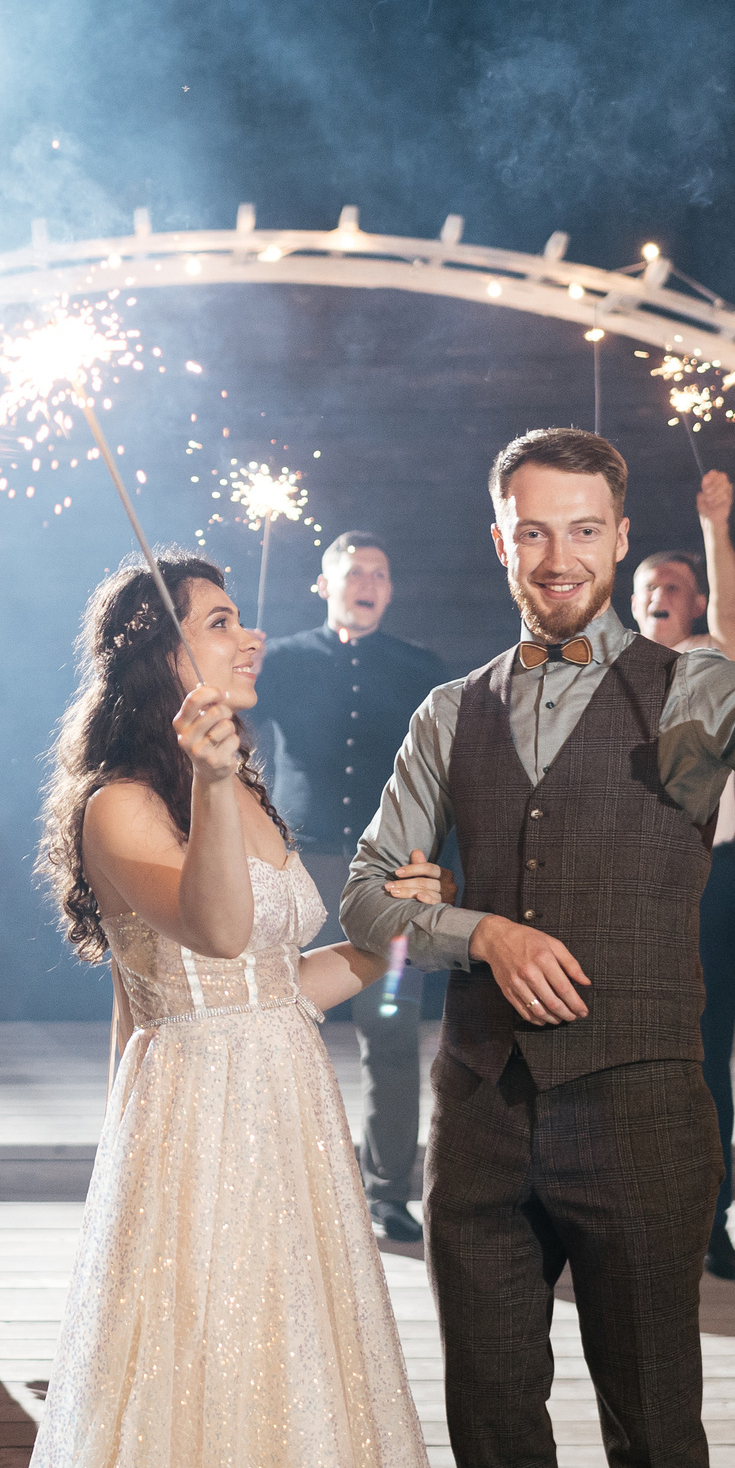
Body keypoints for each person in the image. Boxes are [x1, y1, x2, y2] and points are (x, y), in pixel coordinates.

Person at [343, 427, 735, 1468]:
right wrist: (481, 933)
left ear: (621, 536)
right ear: (499, 540)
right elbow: (368, 895)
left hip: (638, 1114)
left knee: (655, 1433)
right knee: (491, 1430)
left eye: (584, 531)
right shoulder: (448, 713)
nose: (559, 558)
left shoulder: (693, 686)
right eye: (534, 532)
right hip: (480, 1117)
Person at [30, 554, 430, 1468]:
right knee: (209, 1354)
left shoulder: (241, 785)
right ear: (159, 657)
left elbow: (274, 987)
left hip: (291, 1106)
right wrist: (212, 783)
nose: (251, 636)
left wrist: (394, 934)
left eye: (241, 618)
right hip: (199, 1117)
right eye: (218, 623)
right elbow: (216, 931)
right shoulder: (120, 806)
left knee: (295, 1351)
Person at [260, 530, 448, 1241]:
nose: (367, 583)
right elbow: (225, 716)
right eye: (354, 571)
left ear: (390, 590)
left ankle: (388, 1190)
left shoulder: (419, 667)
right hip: (296, 869)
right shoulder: (279, 660)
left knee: (392, 1032)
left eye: (380, 573)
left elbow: (445, 770)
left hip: (388, 876)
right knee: (271, 1024)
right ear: (325, 584)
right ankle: (273, 1183)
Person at [628, 469, 735, 1280]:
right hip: (626, 885)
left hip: (709, 883)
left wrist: (715, 527)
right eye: (648, 584)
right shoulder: (605, 667)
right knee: (625, 1049)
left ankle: (714, 1222)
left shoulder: (715, 659)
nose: (659, 593)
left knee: (708, 1053)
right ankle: (630, 1218)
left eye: (674, 585)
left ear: (695, 601)